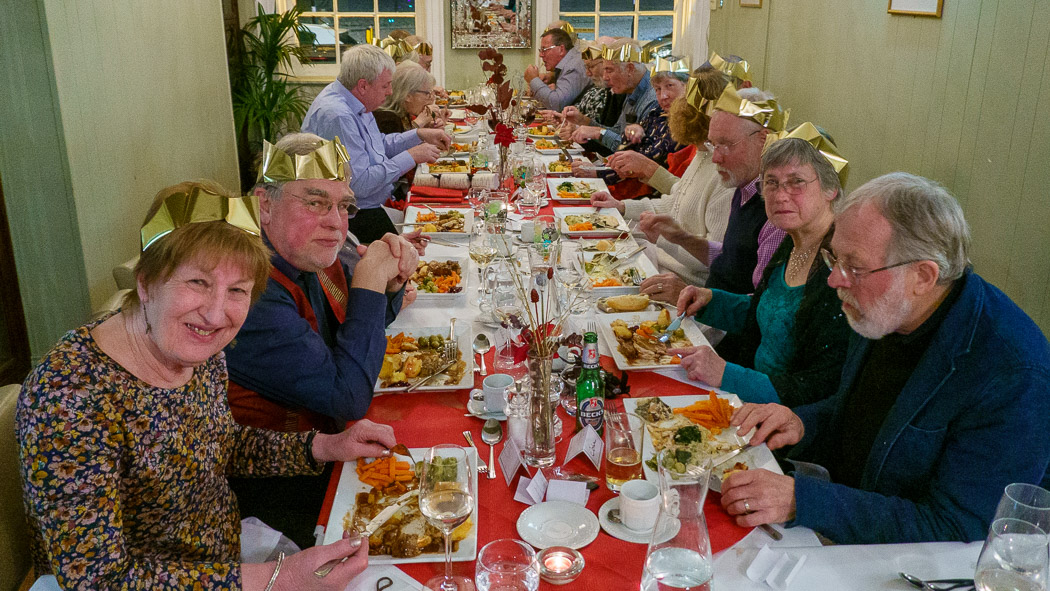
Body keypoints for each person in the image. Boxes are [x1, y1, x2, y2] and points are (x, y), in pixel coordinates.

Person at [16, 180, 398, 589]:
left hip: (226, 557)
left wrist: (325, 446)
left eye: (237, 290)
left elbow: (221, 444)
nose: (216, 314)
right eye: (197, 283)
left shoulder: (197, 347)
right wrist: (279, 578)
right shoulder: (69, 396)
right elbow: (98, 580)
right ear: (145, 283)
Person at [720, 172, 1050, 544]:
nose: (834, 280)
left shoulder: (1012, 372)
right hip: (849, 510)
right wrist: (801, 422)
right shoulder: (889, 307)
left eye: (854, 267)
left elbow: (959, 528)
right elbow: (862, 413)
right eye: (834, 259)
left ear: (923, 276)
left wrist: (804, 500)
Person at [673, 134, 851, 407]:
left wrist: (727, 374)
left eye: (796, 182)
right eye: (771, 183)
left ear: (830, 189)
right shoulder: (791, 242)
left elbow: (820, 386)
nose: (780, 196)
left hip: (782, 421)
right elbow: (769, 313)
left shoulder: (840, 268)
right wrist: (711, 300)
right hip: (749, 396)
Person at [589, 65, 734, 295]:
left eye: (673, 89)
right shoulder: (702, 153)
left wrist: (664, 238)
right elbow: (673, 203)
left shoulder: (725, 174)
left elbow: (715, 260)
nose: (666, 98)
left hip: (679, 281)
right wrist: (622, 207)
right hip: (657, 261)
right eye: (658, 89)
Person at [633, 85, 788, 298]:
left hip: (722, 324)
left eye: (725, 145)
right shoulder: (742, 187)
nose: (715, 158)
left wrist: (699, 298)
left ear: (764, 139)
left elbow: (763, 308)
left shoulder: (777, 210)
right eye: (712, 144)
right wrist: (681, 237)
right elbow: (730, 260)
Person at [302, 43, 451, 243]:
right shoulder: (338, 115)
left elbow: (379, 145)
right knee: (430, 244)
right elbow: (360, 184)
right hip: (353, 216)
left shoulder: (355, 100)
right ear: (363, 85)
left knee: (432, 230)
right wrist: (412, 156)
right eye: (385, 85)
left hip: (373, 205)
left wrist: (419, 134)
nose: (390, 92)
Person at [574, 68, 686, 200]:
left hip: (652, 199)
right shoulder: (657, 112)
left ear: (687, 86)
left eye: (670, 86)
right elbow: (627, 149)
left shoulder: (683, 123)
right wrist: (631, 133)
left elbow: (642, 161)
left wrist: (597, 171)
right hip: (630, 190)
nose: (663, 96)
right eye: (658, 89)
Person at [570, 39, 659, 154]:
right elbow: (618, 132)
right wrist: (584, 121)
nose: (605, 77)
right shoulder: (631, 90)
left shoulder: (654, 99)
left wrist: (599, 132)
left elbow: (634, 150)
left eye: (609, 70)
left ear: (630, 69)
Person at [374, 61, 448, 134]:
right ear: (407, 96)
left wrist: (428, 129)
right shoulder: (387, 119)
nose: (431, 99)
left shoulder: (403, 112)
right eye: (427, 93)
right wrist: (419, 123)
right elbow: (399, 144)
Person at [525, 27, 588, 111]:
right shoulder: (569, 63)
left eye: (544, 50)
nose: (540, 55)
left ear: (561, 49)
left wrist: (534, 80)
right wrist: (552, 77)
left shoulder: (573, 66)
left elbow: (557, 104)